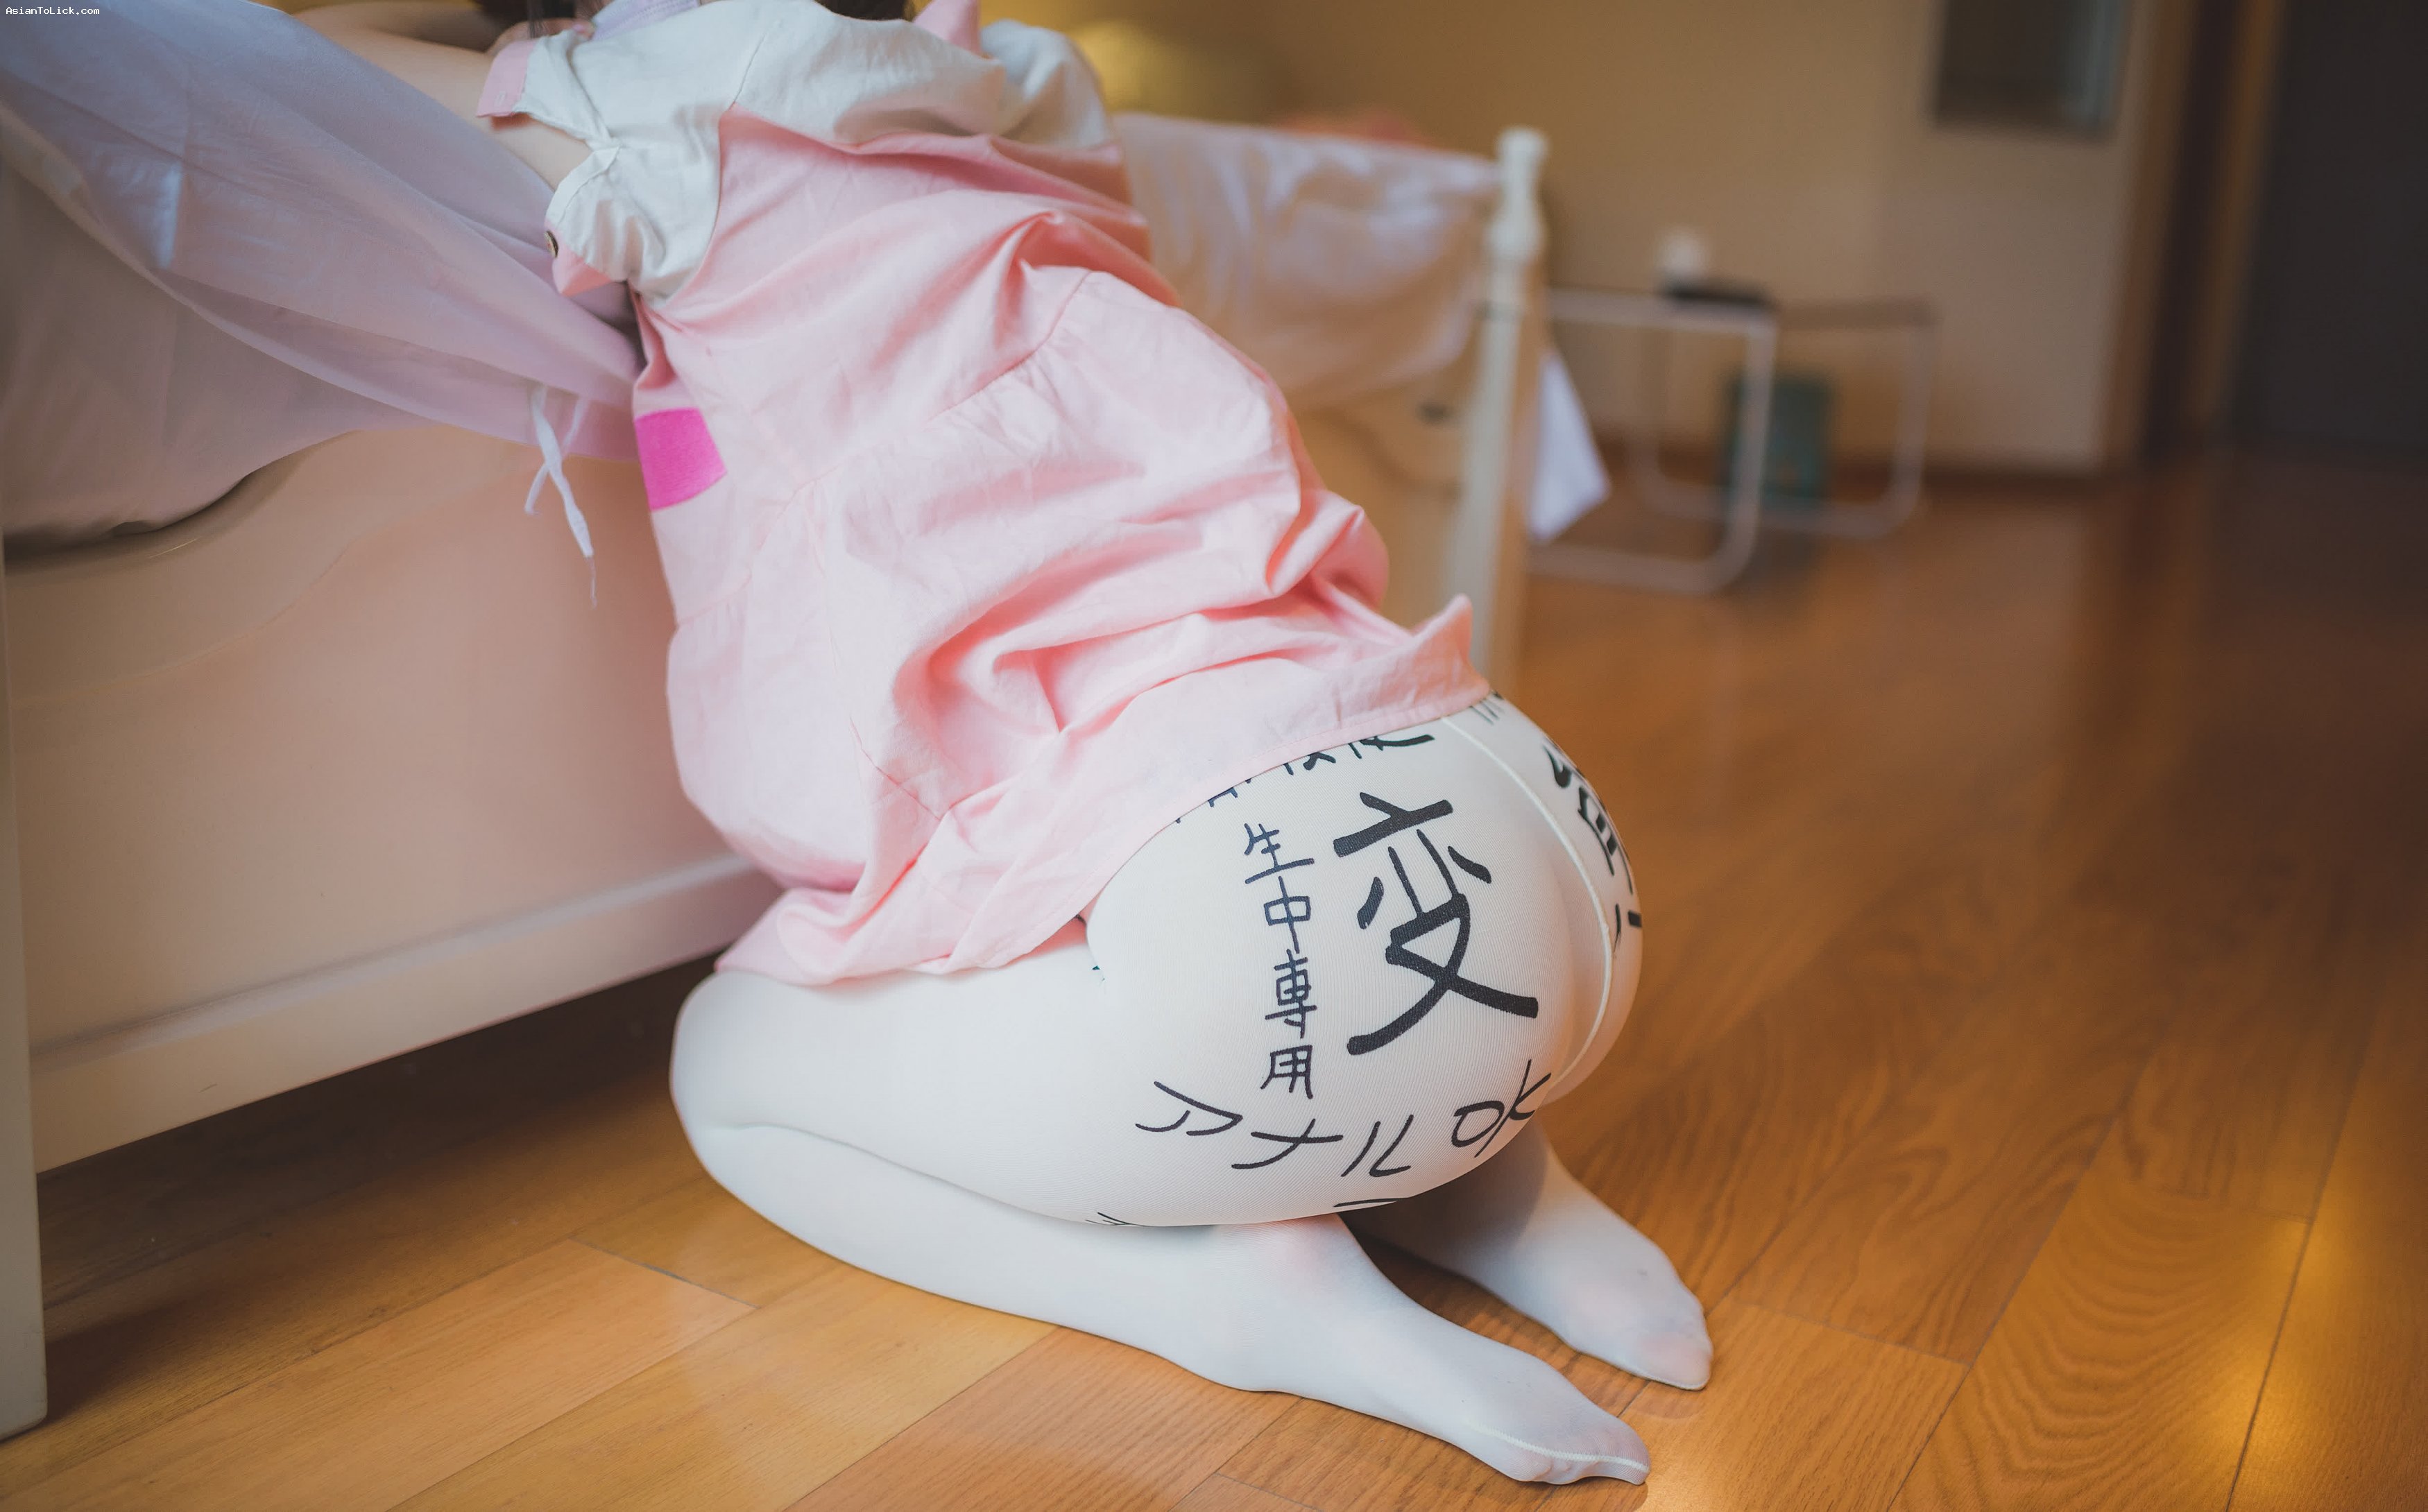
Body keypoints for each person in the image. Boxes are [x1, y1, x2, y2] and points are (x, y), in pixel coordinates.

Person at [307, 0, 1709, 1483]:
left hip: (1272, 963)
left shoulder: (654, 109)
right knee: (1140, 872)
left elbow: (276, 70)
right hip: (1528, 827)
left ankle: (1233, 1286)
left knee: (726, 1068)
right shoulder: (1030, 96)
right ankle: (1499, 1184)